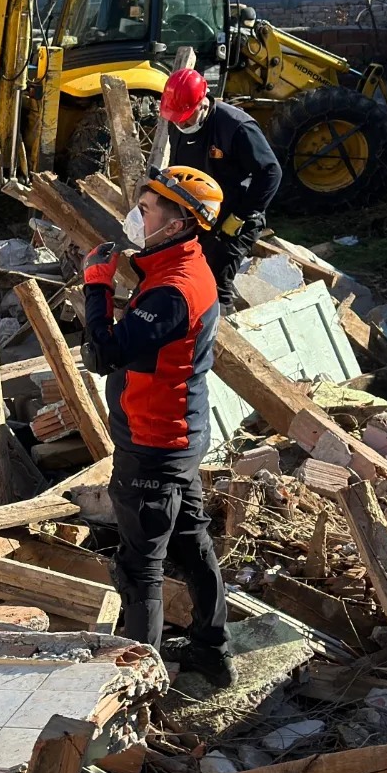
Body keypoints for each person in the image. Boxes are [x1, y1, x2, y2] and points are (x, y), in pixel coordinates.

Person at [82, 166, 234, 687]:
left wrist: (96, 288)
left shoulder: (174, 290)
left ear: (177, 224)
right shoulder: (182, 268)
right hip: (177, 436)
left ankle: (133, 690)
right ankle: (212, 654)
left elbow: (104, 352)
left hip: (154, 443)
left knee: (139, 567)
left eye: (146, 209)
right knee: (191, 542)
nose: (136, 215)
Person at [159, 68, 282, 312]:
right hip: (201, 212)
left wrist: (242, 214)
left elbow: (270, 172)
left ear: (202, 103)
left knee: (215, 280)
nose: (181, 123)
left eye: (186, 117)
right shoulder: (177, 123)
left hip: (236, 215)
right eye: (176, 118)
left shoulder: (236, 127)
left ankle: (222, 331)